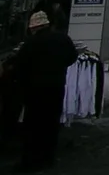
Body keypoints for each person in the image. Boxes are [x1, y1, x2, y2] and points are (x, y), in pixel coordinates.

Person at [12, 11, 76, 171]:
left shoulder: (30, 44)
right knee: (51, 123)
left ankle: (31, 160)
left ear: (34, 28)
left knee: (33, 125)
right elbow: (72, 57)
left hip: (34, 90)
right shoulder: (62, 39)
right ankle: (48, 157)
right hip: (56, 87)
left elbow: (20, 67)